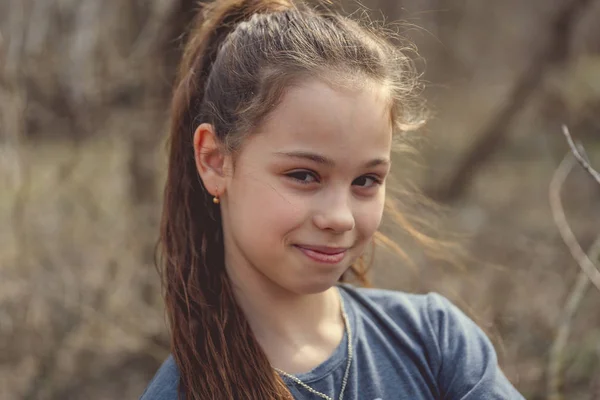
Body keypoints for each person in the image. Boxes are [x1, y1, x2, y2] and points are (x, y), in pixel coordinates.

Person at [141, 0, 525, 398]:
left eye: (366, 180)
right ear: (215, 161)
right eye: (304, 176)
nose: (340, 218)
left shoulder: (436, 343)